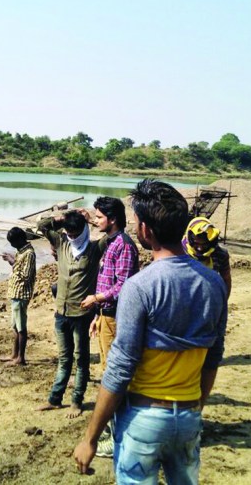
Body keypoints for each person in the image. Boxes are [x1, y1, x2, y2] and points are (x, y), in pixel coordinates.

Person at [73, 179, 228, 484]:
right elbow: (213, 356)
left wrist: (90, 438)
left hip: (144, 418)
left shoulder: (140, 287)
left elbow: (120, 368)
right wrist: (195, 409)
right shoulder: (214, 284)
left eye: (136, 222)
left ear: (145, 229)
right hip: (189, 416)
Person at [79, 196, 139, 458]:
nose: (96, 221)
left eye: (99, 217)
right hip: (106, 316)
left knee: (114, 377)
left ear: (112, 219)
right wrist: (97, 315)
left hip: (115, 318)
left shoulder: (123, 245)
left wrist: (96, 299)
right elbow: (108, 280)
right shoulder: (112, 243)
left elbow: (123, 285)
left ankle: (117, 437)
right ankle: (113, 427)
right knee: (107, 372)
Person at [37, 209, 104, 419]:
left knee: (81, 359)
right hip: (61, 312)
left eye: (76, 234)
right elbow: (41, 226)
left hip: (82, 315)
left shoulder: (94, 249)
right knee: (64, 359)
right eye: (69, 233)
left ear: (84, 230)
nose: (73, 237)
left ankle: (77, 401)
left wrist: (93, 221)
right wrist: (61, 219)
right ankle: (55, 399)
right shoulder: (62, 243)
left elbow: (115, 236)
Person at [183, 216, 231, 411]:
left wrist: (220, 304)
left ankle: (198, 408)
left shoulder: (220, 255)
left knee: (212, 357)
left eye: (205, 244)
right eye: (197, 243)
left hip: (212, 313)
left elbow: (226, 280)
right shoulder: (180, 252)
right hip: (185, 313)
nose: (200, 248)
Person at [0, 226, 36, 366]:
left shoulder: (29, 253)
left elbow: (26, 276)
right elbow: (19, 267)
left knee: (21, 328)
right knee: (15, 327)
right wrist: (13, 259)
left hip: (21, 294)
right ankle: (14, 354)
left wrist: (13, 262)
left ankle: (21, 358)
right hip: (16, 294)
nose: (12, 245)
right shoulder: (21, 251)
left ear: (20, 239)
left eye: (13, 242)